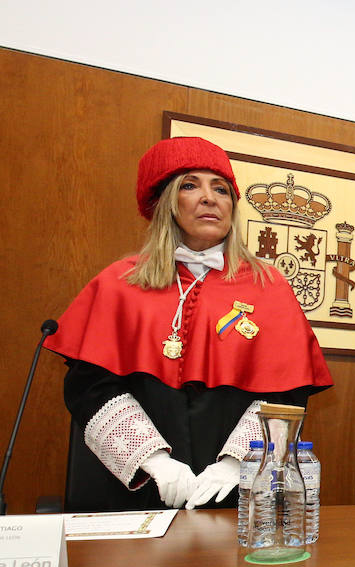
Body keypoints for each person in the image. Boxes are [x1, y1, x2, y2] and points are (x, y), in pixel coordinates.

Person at [45, 136, 332, 513]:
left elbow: (287, 392)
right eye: (190, 185)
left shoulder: (269, 286)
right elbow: (90, 388)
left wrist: (238, 465)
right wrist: (154, 462)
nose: (210, 198)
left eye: (221, 189)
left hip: (237, 495)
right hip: (139, 491)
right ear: (166, 203)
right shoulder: (119, 282)